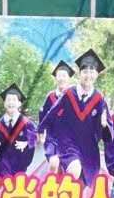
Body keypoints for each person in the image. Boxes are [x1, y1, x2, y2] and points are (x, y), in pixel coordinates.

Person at [36, 50, 109, 183]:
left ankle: (63, 191)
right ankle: (53, 188)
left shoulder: (99, 99)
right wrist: (41, 129)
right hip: (68, 142)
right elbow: (52, 112)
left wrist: (105, 125)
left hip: (88, 147)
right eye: (85, 71)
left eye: (92, 71)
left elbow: (106, 131)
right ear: (79, 73)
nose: (88, 75)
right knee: (72, 169)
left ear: (97, 74)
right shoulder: (69, 93)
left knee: (81, 181)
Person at [0, 84, 39, 176]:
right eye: (8, 99)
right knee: (6, 179)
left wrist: (26, 143)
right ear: (4, 103)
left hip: (20, 163)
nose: (11, 102)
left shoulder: (26, 123)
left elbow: (34, 137)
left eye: (14, 100)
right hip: (4, 163)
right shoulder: (0, 125)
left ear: (19, 103)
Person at [37, 59, 74, 175]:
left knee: (69, 170)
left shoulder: (73, 96)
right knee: (54, 163)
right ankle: (51, 183)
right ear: (56, 78)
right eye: (59, 75)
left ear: (69, 78)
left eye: (64, 75)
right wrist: (41, 133)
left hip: (69, 140)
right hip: (52, 138)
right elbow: (43, 115)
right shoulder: (51, 96)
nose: (61, 78)